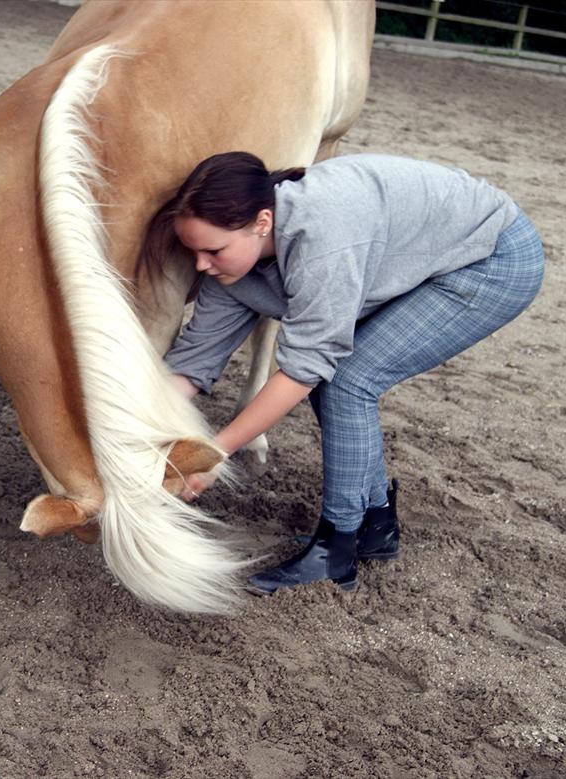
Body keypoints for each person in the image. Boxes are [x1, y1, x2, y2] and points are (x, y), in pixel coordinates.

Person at [143, 151, 544, 595]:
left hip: (491, 256)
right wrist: (127, 427)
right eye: (193, 251)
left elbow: (304, 370)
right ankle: (375, 526)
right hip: (417, 252)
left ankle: (336, 552)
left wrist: (215, 452)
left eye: (212, 249)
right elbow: (193, 364)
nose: (200, 265)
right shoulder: (229, 264)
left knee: (349, 383)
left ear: (261, 222)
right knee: (340, 380)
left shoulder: (322, 238)